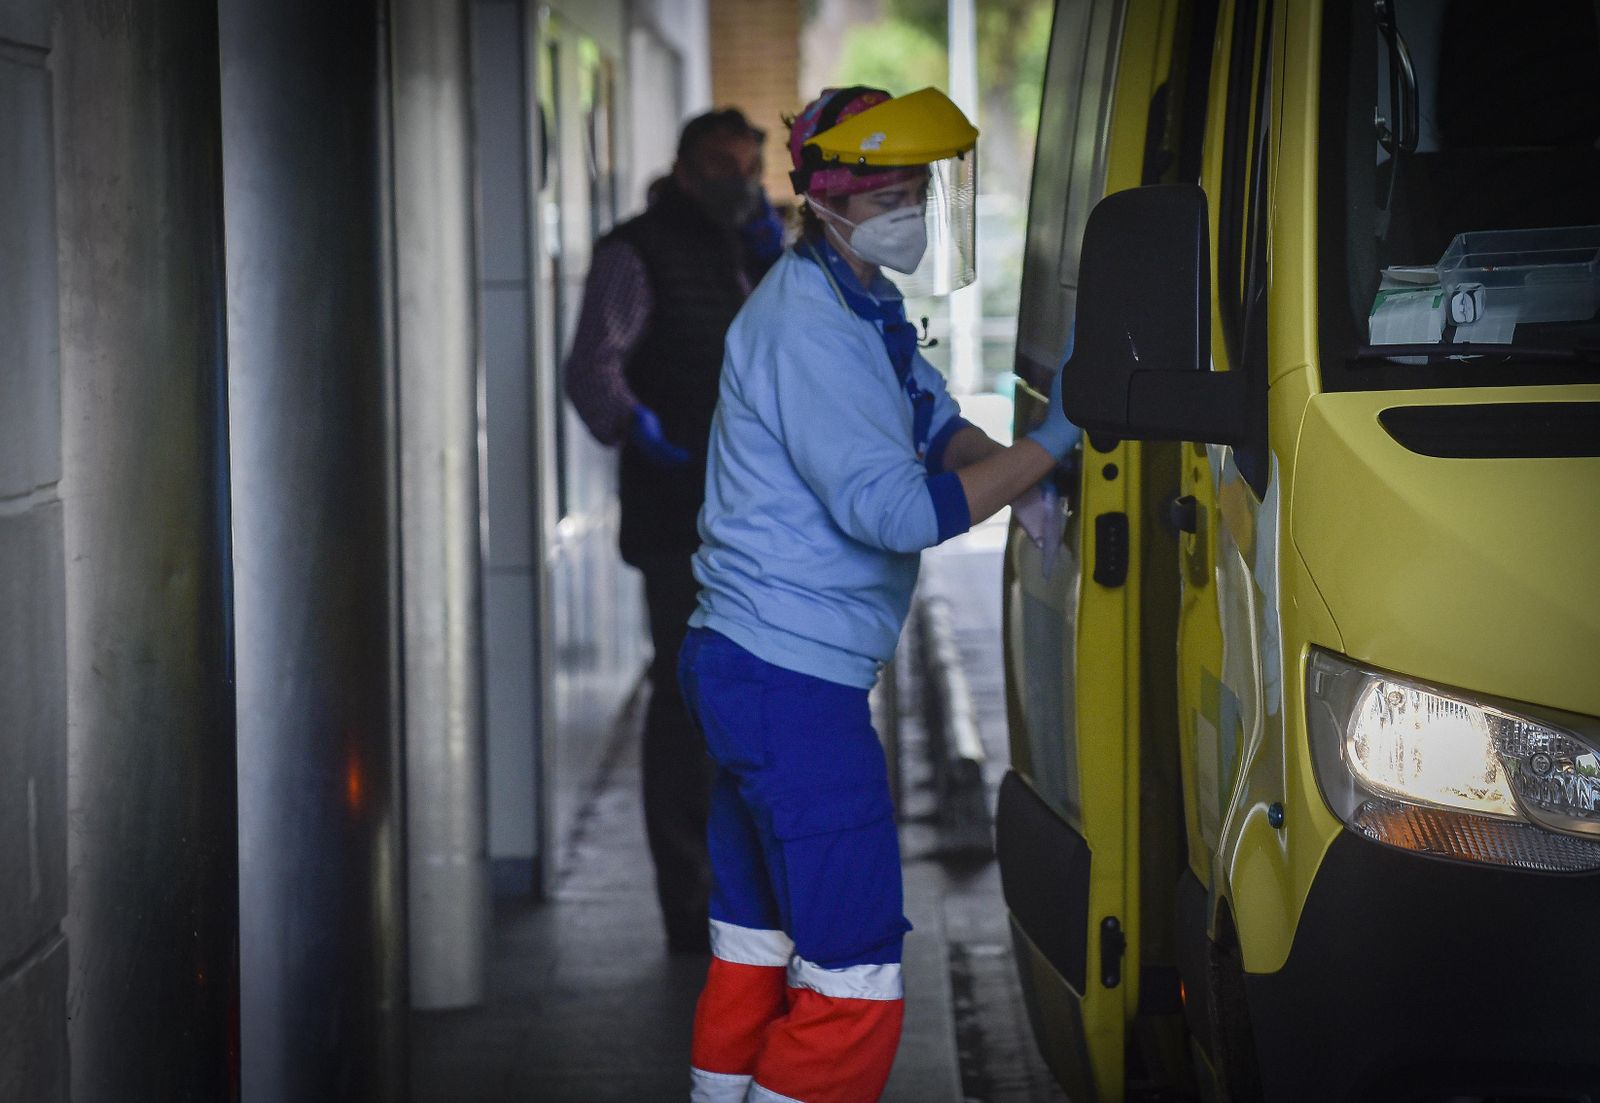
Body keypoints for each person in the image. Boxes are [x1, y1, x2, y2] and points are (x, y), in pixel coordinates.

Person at [679, 86, 1081, 1103]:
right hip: (790, 683)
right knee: (853, 973)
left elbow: (931, 418)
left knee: (756, 945)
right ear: (829, 199)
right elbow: (895, 512)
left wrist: (1013, 470)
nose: (910, 209)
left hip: (750, 665)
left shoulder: (860, 299)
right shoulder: (805, 324)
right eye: (891, 192)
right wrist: (1050, 444)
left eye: (919, 190)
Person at [563, 108, 786, 955]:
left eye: (749, 165)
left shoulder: (758, 246)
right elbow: (592, 367)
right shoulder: (637, 248)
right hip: (679, 518)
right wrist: (639, 429)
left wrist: (772, 251)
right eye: (722, 165)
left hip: (759, 516)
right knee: (690, 703)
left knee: (751, 697)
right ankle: (691, 904)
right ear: (686, 170)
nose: (739, 179)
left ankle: (746, 889)